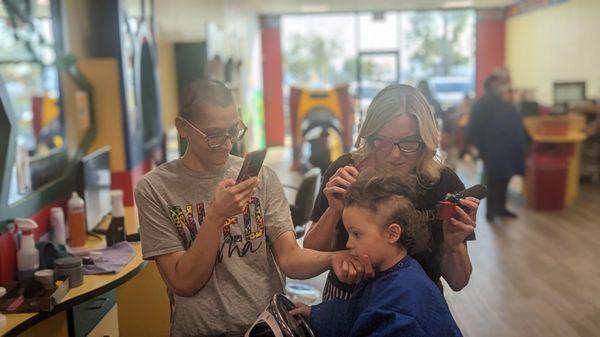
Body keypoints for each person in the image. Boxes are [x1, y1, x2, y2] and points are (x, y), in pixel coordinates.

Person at [134, 79, 362, 337]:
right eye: (214, 135)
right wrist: (217, 216)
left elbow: (290, 259)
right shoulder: (154, 189)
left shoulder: (262, 178)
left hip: (266, 327)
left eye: (234, 130)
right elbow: (184, 283)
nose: (228, 143)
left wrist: (334, 258)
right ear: (182, 128)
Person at [304, 84, 479, 301]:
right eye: (382, 142)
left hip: (415, 302)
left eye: (408, 143)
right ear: (369, 137)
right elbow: (311, 251)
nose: (395, 154)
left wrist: (453, 245)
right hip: (346, 300)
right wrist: (333, 211)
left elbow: (458, 282)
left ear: (426, 141)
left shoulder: (443, 183)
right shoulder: (347, 172)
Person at [291, 175, 463, 337]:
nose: (349, 244)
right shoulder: (388, 272)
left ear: (392, 233)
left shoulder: (402, 312)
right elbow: (359, 314)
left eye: (357, 234)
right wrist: (316, 315)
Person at [467, 74, 527, 222]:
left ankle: (501, 208)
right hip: (492, 148)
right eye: (499, 83)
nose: (503, 86)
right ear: (491, 86)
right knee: (494, 179)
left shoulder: (506, 100)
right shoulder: (484, 103)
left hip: (509, 148)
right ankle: (491, 212)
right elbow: (474, 126)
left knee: (506, 178)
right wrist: (475, 146)